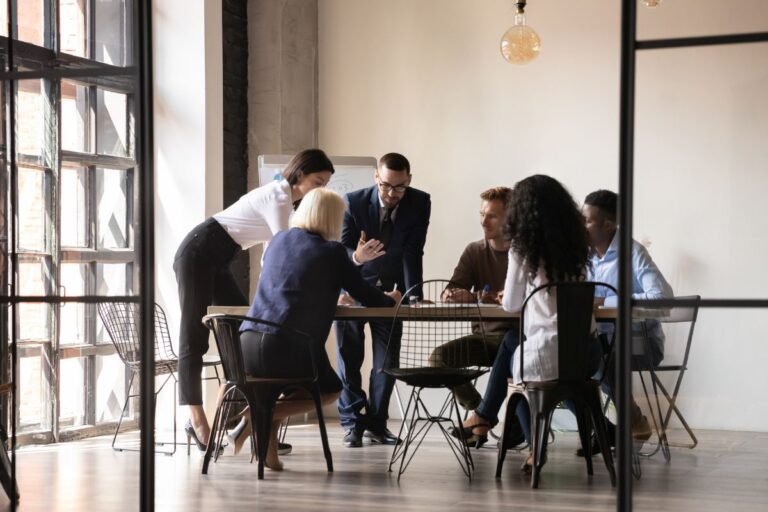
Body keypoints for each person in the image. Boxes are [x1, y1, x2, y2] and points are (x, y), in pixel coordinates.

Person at [174, 149, 334, 450]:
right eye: (318, 182)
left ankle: (250, 425)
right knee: (194, 336)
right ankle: (196, 421)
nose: (321, 189)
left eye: (325, 184)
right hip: (197, 252)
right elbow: (280, 251)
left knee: (240, 332)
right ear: (299, 175)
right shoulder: (279, 197)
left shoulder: (290, 201)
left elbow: (273, 256)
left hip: (218, 257)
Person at [237, 188, 401, 470]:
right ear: (331, 219)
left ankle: (269, 455)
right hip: (287, 344)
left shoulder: (278, 241)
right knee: (330, 390)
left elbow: (291, 281)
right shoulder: (333, 251)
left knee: (278, 388)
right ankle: (257, 415)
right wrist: (392, 299)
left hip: (247, 341)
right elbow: (367, 295)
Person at [458, 174, 599, 471]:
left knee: (517, 374)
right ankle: (487, 419)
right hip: (587, 352)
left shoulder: (523, 248)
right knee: (514, 346)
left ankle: (531, 444)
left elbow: (511, 303)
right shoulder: (578, 244)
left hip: (547, 352)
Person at [335, 153, 431, 447]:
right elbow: (341, 250)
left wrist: (412, 294)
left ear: (409, 180)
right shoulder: (353, 201)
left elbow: (414, 251)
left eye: (399, 187)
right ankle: (352, 423)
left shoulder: (420, 202)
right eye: (386, 186)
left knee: (386, 362)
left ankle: (377, 424)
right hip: (353, 290)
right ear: (376, 177)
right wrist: (357, 257)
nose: (392, 194)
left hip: (392, 294)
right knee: (350, 359)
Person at [580, 189, 674, 453]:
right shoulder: (584, 258)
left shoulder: (633, 253)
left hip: (641, 345)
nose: (580, 225)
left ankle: (631, 422)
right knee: (572, 359)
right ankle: (605, 428)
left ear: (607, 225)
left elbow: (662, 298)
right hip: (601, 344)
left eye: (586, 220)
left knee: (603, 358)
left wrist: (608, 301)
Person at [429, 187, 516, 414]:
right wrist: (451, 296)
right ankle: (481, 413)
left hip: (520, 340)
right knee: (439, 358)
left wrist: (476, 296)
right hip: (485, 339)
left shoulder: (525, 252)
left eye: (492, 216)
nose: (483, 222)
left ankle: (491, 421)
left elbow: (522, 297)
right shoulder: (475, 250)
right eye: (481, 214)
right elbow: (451, 290)